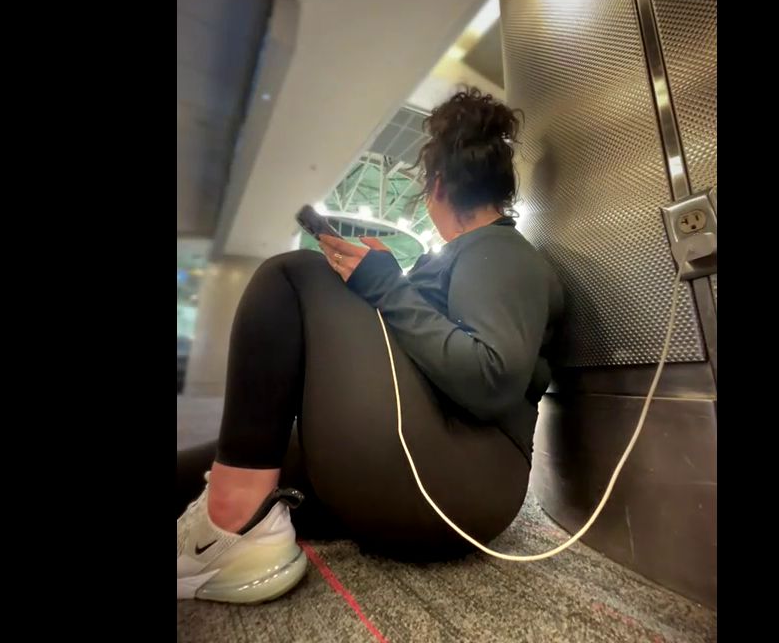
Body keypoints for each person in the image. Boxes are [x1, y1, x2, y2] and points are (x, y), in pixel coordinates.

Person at [177, 87, 564, 603]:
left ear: (437, 185)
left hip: (458, 485)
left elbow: (490, 379)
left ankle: (231, 529)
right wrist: (386, 285)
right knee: (213, 466)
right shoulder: (465, 256)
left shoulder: (499, 251)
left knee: (291, 276)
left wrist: (386, 286)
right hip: (428, 463)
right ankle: (226, 510)